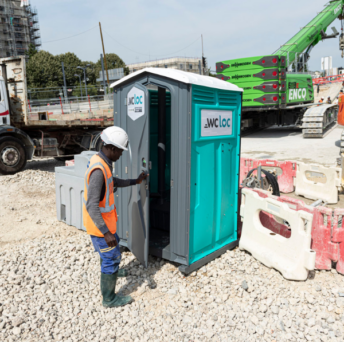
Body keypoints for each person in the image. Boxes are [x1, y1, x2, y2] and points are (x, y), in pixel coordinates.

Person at [83, 126, 149, 308]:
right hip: (100, 227)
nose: (120, 155)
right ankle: (109, 298)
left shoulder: (102, 161)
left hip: (106, 225)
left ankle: (113, 271)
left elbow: (112, 181)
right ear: (112, 148)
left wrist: (134, 181)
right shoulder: (98, 170)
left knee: (112, 252)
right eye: (120, 151)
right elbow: (92, 205)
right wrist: (105, 232)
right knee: (110, 257)